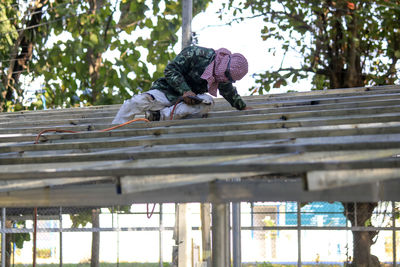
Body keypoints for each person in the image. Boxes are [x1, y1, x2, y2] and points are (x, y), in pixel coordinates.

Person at [112, 45, 251, 124]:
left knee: (208, 103)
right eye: (226, 76)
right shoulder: (196, 53)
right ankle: (113, 132)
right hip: (165, 92)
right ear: (223, 63)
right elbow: (171, 70)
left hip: (184, 105)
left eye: (229, 79)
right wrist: (185, 90)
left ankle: (158, 116)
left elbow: (229, 92)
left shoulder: (223, 77)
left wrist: (243, 107)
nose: (225, 80)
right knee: (135, 102)